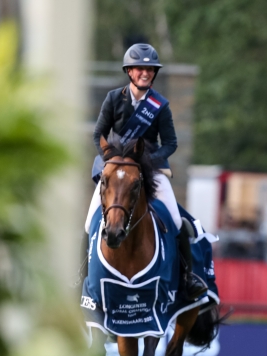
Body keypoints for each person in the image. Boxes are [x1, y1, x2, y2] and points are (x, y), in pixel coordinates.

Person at [81, 43, 207, 299]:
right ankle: (82, 275)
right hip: (118, 169)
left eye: (150, 69)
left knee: (174, 220)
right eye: (140, 69)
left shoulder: (160, 105)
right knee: (88, 223)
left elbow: (171, 143)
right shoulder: (114, 98)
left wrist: (148, 161)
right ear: (130, 72)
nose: (145, 73)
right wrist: (111, 158)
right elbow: (99, 134)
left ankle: (186, 277)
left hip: (150, 171)